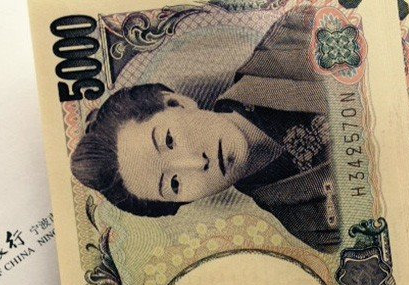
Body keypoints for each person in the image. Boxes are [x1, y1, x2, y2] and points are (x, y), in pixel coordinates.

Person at [71, 5, 340, 252]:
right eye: (174, 183)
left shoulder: (296, 34)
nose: (197, 163)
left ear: (176, 102)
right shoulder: (316, 229)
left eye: (169, 140)